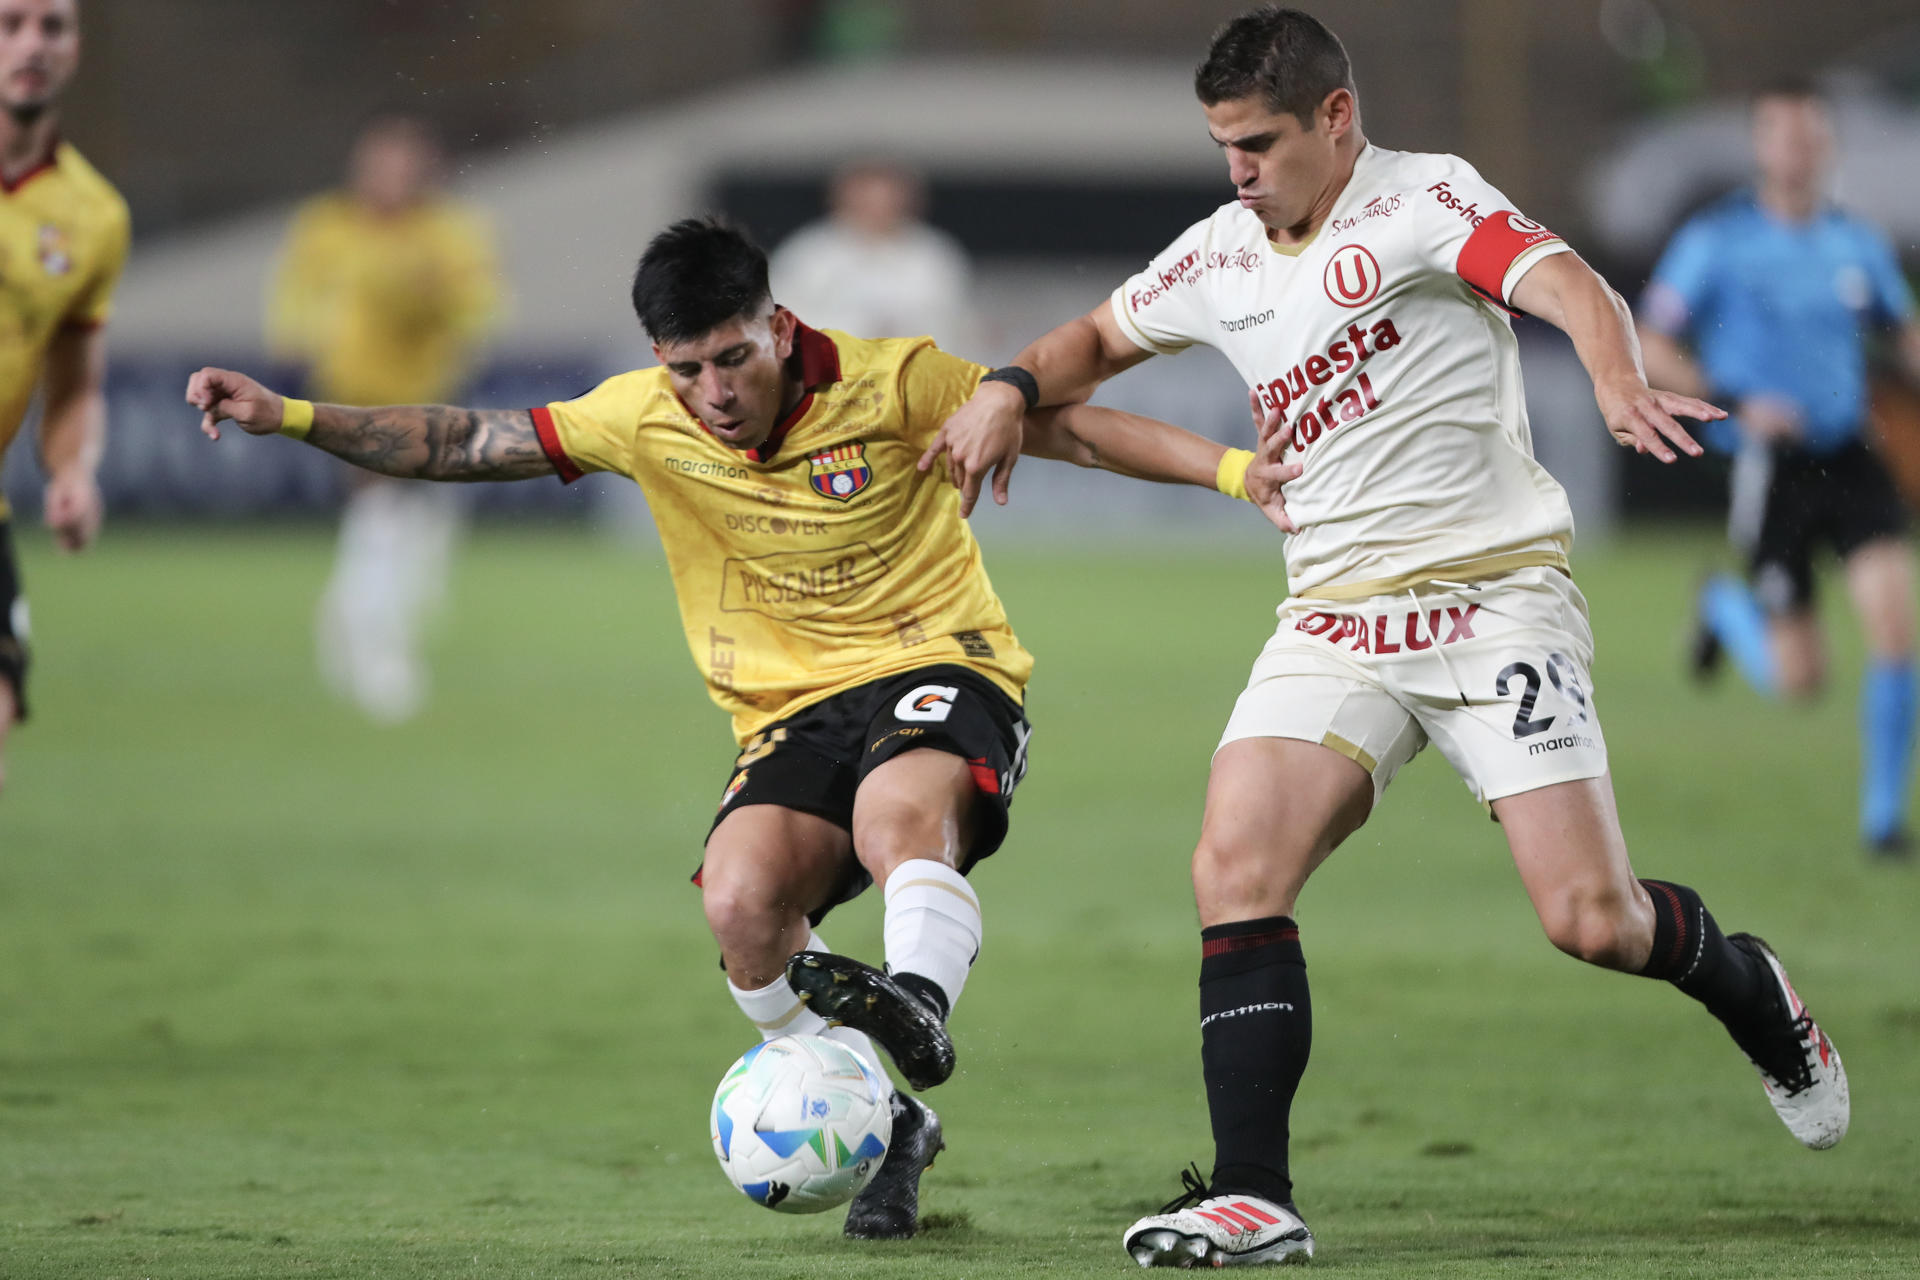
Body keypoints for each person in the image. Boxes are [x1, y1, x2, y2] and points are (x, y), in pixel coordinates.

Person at [922, 7, 1850, 1268]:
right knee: (1233, 866)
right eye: (1221, 146)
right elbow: (1088, 343)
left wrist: (1617, 375)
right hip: (1334, 614)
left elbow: (1569, 283)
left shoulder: (1425, 202)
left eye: (1257, 142)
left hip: (1494, 595)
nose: (1237, 170)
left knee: (1592, 917)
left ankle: (1754, 990)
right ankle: (1254, 1193)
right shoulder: (1220, 251)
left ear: (1336, 119)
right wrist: (1007, 386)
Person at [188, 217, 1265, 1240]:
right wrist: (286, 412)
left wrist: (1230, 470)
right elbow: (462, 440)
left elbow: (1071, 426)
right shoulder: (640, 413)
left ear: (780, 328)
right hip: (787, 709)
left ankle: (920, 1003)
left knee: (900, 816)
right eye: (686, 368)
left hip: (939, 664)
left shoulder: (895, 381)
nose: (712, 392)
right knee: (744, 904)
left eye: (732, 359)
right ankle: (892, 1124)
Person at [1638, 79, 1920, 859]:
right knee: (1801, 681)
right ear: (1762, 146)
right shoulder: (1717, 239)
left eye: (1810, 137)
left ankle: (1882, 820)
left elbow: (1901, 334)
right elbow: (1653, 341)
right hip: (1772, 470)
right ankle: (1724, 608)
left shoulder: (1854, 242)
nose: (1797, 151)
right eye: (1782, 136)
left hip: (1851, 455)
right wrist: (1733, 398)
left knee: (1896, 630)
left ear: (1825, 146)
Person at [268, 113, 501, 724]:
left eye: (405, 165)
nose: (392, 178)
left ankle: (354, 620)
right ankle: (375, 651)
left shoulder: (448, 232)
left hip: (428, 395)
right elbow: (296, 302)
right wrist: (300, 343)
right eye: (381, 164)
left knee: (421, 526)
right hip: (354, 395)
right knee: (381, 513)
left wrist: (435, 301)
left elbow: (478, 308)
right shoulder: (327, 227)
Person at [0, 0, 128, 793]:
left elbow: (74, 379)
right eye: (9, 24)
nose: (31, 45)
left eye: (53, 26)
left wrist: (73, 470)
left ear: (77, 46)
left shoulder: (94, 215)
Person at [769, 158, 976, 354]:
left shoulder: (934, 255)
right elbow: (781, 320)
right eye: (867, 198)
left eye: (888, 198)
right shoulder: (808, 253)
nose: (878, 208)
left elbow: (955, 323)